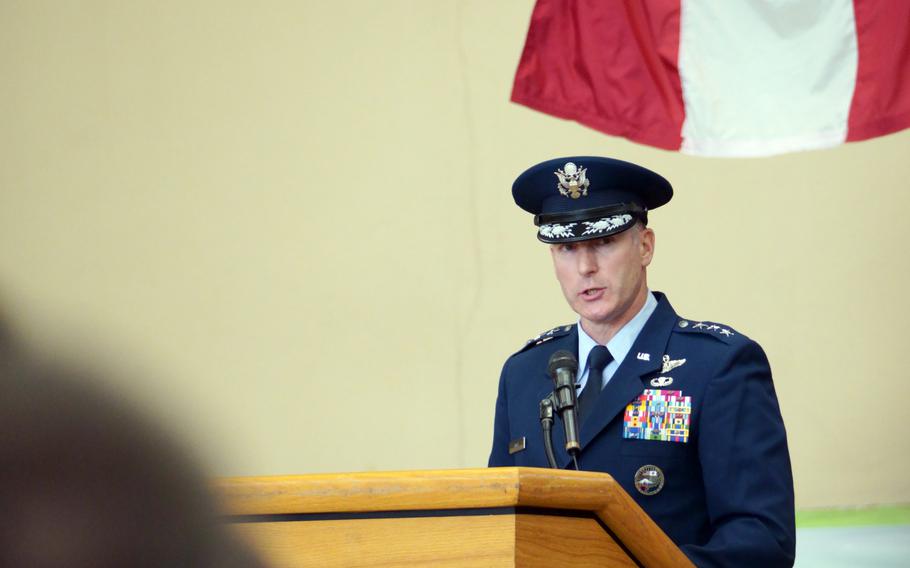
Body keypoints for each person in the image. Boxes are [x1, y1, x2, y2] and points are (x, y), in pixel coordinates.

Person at [488, 156, 795, 567]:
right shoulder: (524, 373)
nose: (585, 267)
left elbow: (761, 540)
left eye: (604, 242)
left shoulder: (718, 366)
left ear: (645, 246)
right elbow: (500, 523)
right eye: (566, 248)